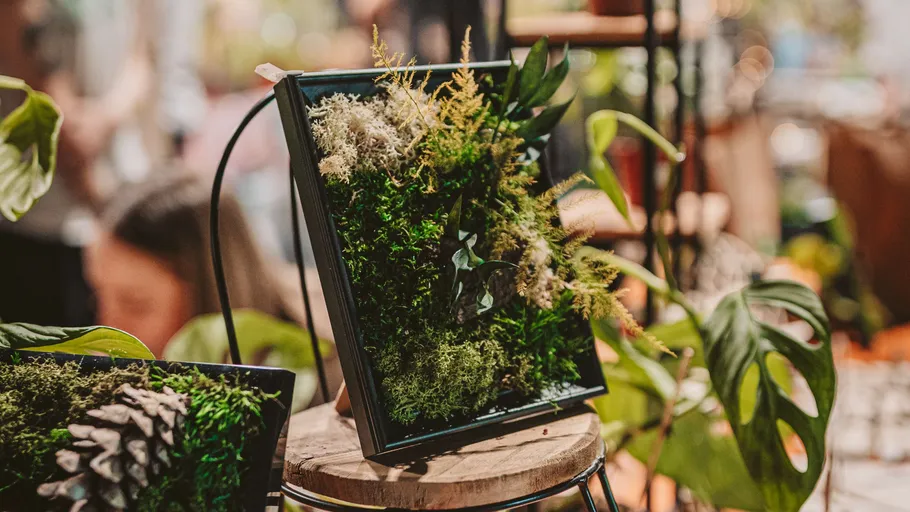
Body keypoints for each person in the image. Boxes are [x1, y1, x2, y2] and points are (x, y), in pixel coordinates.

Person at [84, 173, 340, 403]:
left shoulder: (320, 383)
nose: (106, 324)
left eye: (135, 304)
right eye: (96, 295)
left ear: (216, 293)